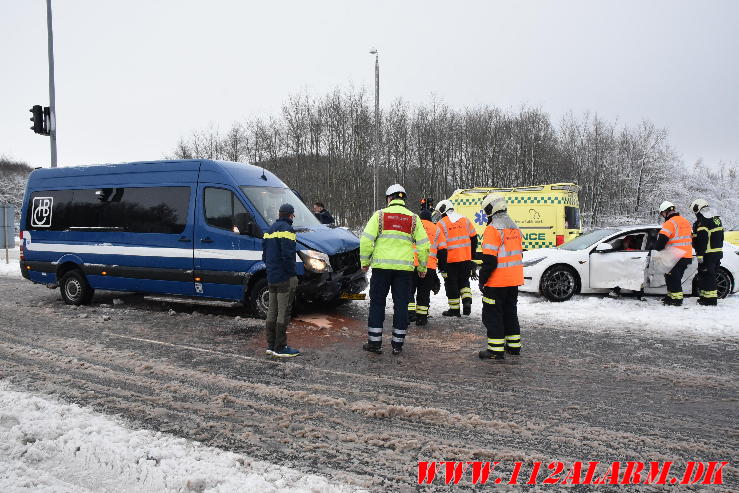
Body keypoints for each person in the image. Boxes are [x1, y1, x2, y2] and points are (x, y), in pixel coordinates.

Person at [360, 184, 430, 355]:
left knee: (377, 303)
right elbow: (424, 245)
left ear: (389, 198)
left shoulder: (380, 215)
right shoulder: (414, 218)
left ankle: (374, 343)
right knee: (401, 305)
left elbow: (366, 240)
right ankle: (397, 345)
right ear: (403, 199)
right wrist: (422, 267)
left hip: (381, 269)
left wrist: (365, 261)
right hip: (404, 270)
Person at [477, 193, 523, 360]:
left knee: (493, 314)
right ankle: (514, 346)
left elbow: (489, 260)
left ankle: (495, 350)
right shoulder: (514, 227)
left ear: (491, 209)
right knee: (510, 312)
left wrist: (482, 280)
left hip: (497, 282)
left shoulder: (493, 229)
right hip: (514, 280)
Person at [262, 203, 301, 357]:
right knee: (283, 312)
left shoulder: (269, 230)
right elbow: (288, 256)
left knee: (272, 310)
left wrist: (272, 270)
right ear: (290, 215)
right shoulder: (288, 230)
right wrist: (292, 274)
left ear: (279, 214)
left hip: (272, 276)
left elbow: (265, 255)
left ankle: (271, 345)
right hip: (285, 277)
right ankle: (281, 347)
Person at [434, 200, 478, 317]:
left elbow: (440, 246)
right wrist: (471, 256)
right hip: (465, 259)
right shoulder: (465, 220)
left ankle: (454, 310)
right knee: (464, 281)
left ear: (443, 211)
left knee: (451, 284)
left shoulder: (441, 224)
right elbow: (474, 238)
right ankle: (467, 301)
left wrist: (441, 264)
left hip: (450, 261)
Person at [409, 208, 445, 326]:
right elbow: (443, 250)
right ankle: (422, 318)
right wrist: (442, 266)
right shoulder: (437, 230)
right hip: (429, 266)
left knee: (409, 291)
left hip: (412, 265)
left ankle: (409, 315)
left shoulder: (414, 227)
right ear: (430, 218)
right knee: (424, 293)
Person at [655, 201, 693, 306]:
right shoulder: (685, 221)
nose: (662, 216)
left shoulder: (670, 223)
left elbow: (662, 240)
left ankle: (676, 300)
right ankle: (670, 297)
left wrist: (655, 250)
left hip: (675, 256)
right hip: (686, 255)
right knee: (672, 277)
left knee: (673, 279)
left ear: (666, 212)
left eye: (662, 213)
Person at [691, 199, 724, 306]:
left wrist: (700, 255)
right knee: (710, 276)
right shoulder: (716, 219)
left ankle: (709, 300)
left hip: (708, 254)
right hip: (717, 253)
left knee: (707, 276)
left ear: (699, 209)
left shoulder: (703, 221)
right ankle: (706, 297)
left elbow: (702, 240)